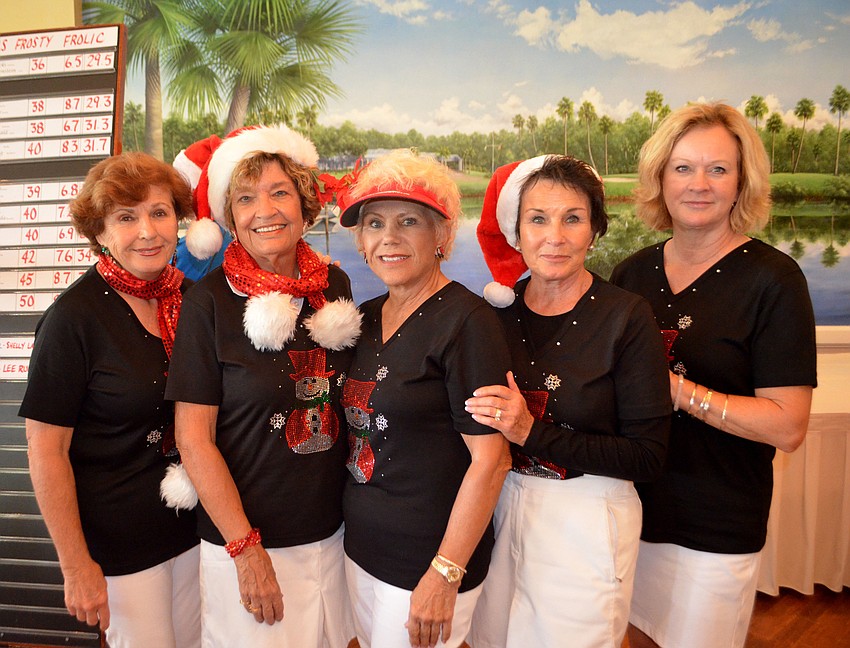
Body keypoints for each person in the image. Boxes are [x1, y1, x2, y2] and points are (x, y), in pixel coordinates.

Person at [608, 102, 817, 648]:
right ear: (659, 178)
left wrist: (678, 392)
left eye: (718, 169)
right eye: (683, 168)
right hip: (627, 512)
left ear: (741, 182)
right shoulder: (631, 273)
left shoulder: (774, 280)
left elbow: (788, 426)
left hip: (716, 522)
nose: (699, 184)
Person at [164, 124, 362, 648]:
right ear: (230, 218)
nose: (265, 210)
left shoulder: (333, 286)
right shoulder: (206, 302)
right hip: (248, 543)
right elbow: (193, 440)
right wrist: (246, 551)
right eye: (246, 199)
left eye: (280, 192)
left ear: (304, 205)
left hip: (335, 534)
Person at [465, 154, 672, 648]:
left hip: (588, 519)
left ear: (595, 230)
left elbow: (648, 456)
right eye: (537, 219)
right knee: (495, 638)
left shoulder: (626, 318)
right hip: (498, 509)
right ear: (515, 231)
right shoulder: (494, 316)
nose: (554, 236)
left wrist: (531, 433)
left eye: (572, 218)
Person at [19, 152, 201, 647]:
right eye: (126, 217)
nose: (148, 231)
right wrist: (76, 565)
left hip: (195, 532)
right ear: (99, 233)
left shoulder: (189, 299)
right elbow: (45, 451)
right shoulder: (71, 321)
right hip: (118, 549)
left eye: (159, 212)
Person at [336, 148, 512, 648]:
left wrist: (445, 573)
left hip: (426, 561)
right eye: (373, 224)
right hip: (361, 549)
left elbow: (492, 461)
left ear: (441, 236)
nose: (388, 237)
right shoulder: (363, 319)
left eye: (407, 221)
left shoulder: (468, 322)